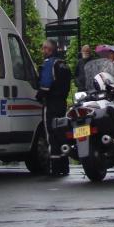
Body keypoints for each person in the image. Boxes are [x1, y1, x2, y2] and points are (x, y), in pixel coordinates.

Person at [36, 39, 72, 176]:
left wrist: (39, 95)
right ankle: (64, 165)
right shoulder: (63, 64)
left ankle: (55, 167)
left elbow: (45, 84)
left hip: (51, 104)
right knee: (61, 133)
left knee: (51, 134)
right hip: (62, 103)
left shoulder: (49, 63)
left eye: (44, 48)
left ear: (49, 50)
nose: (42, 51)